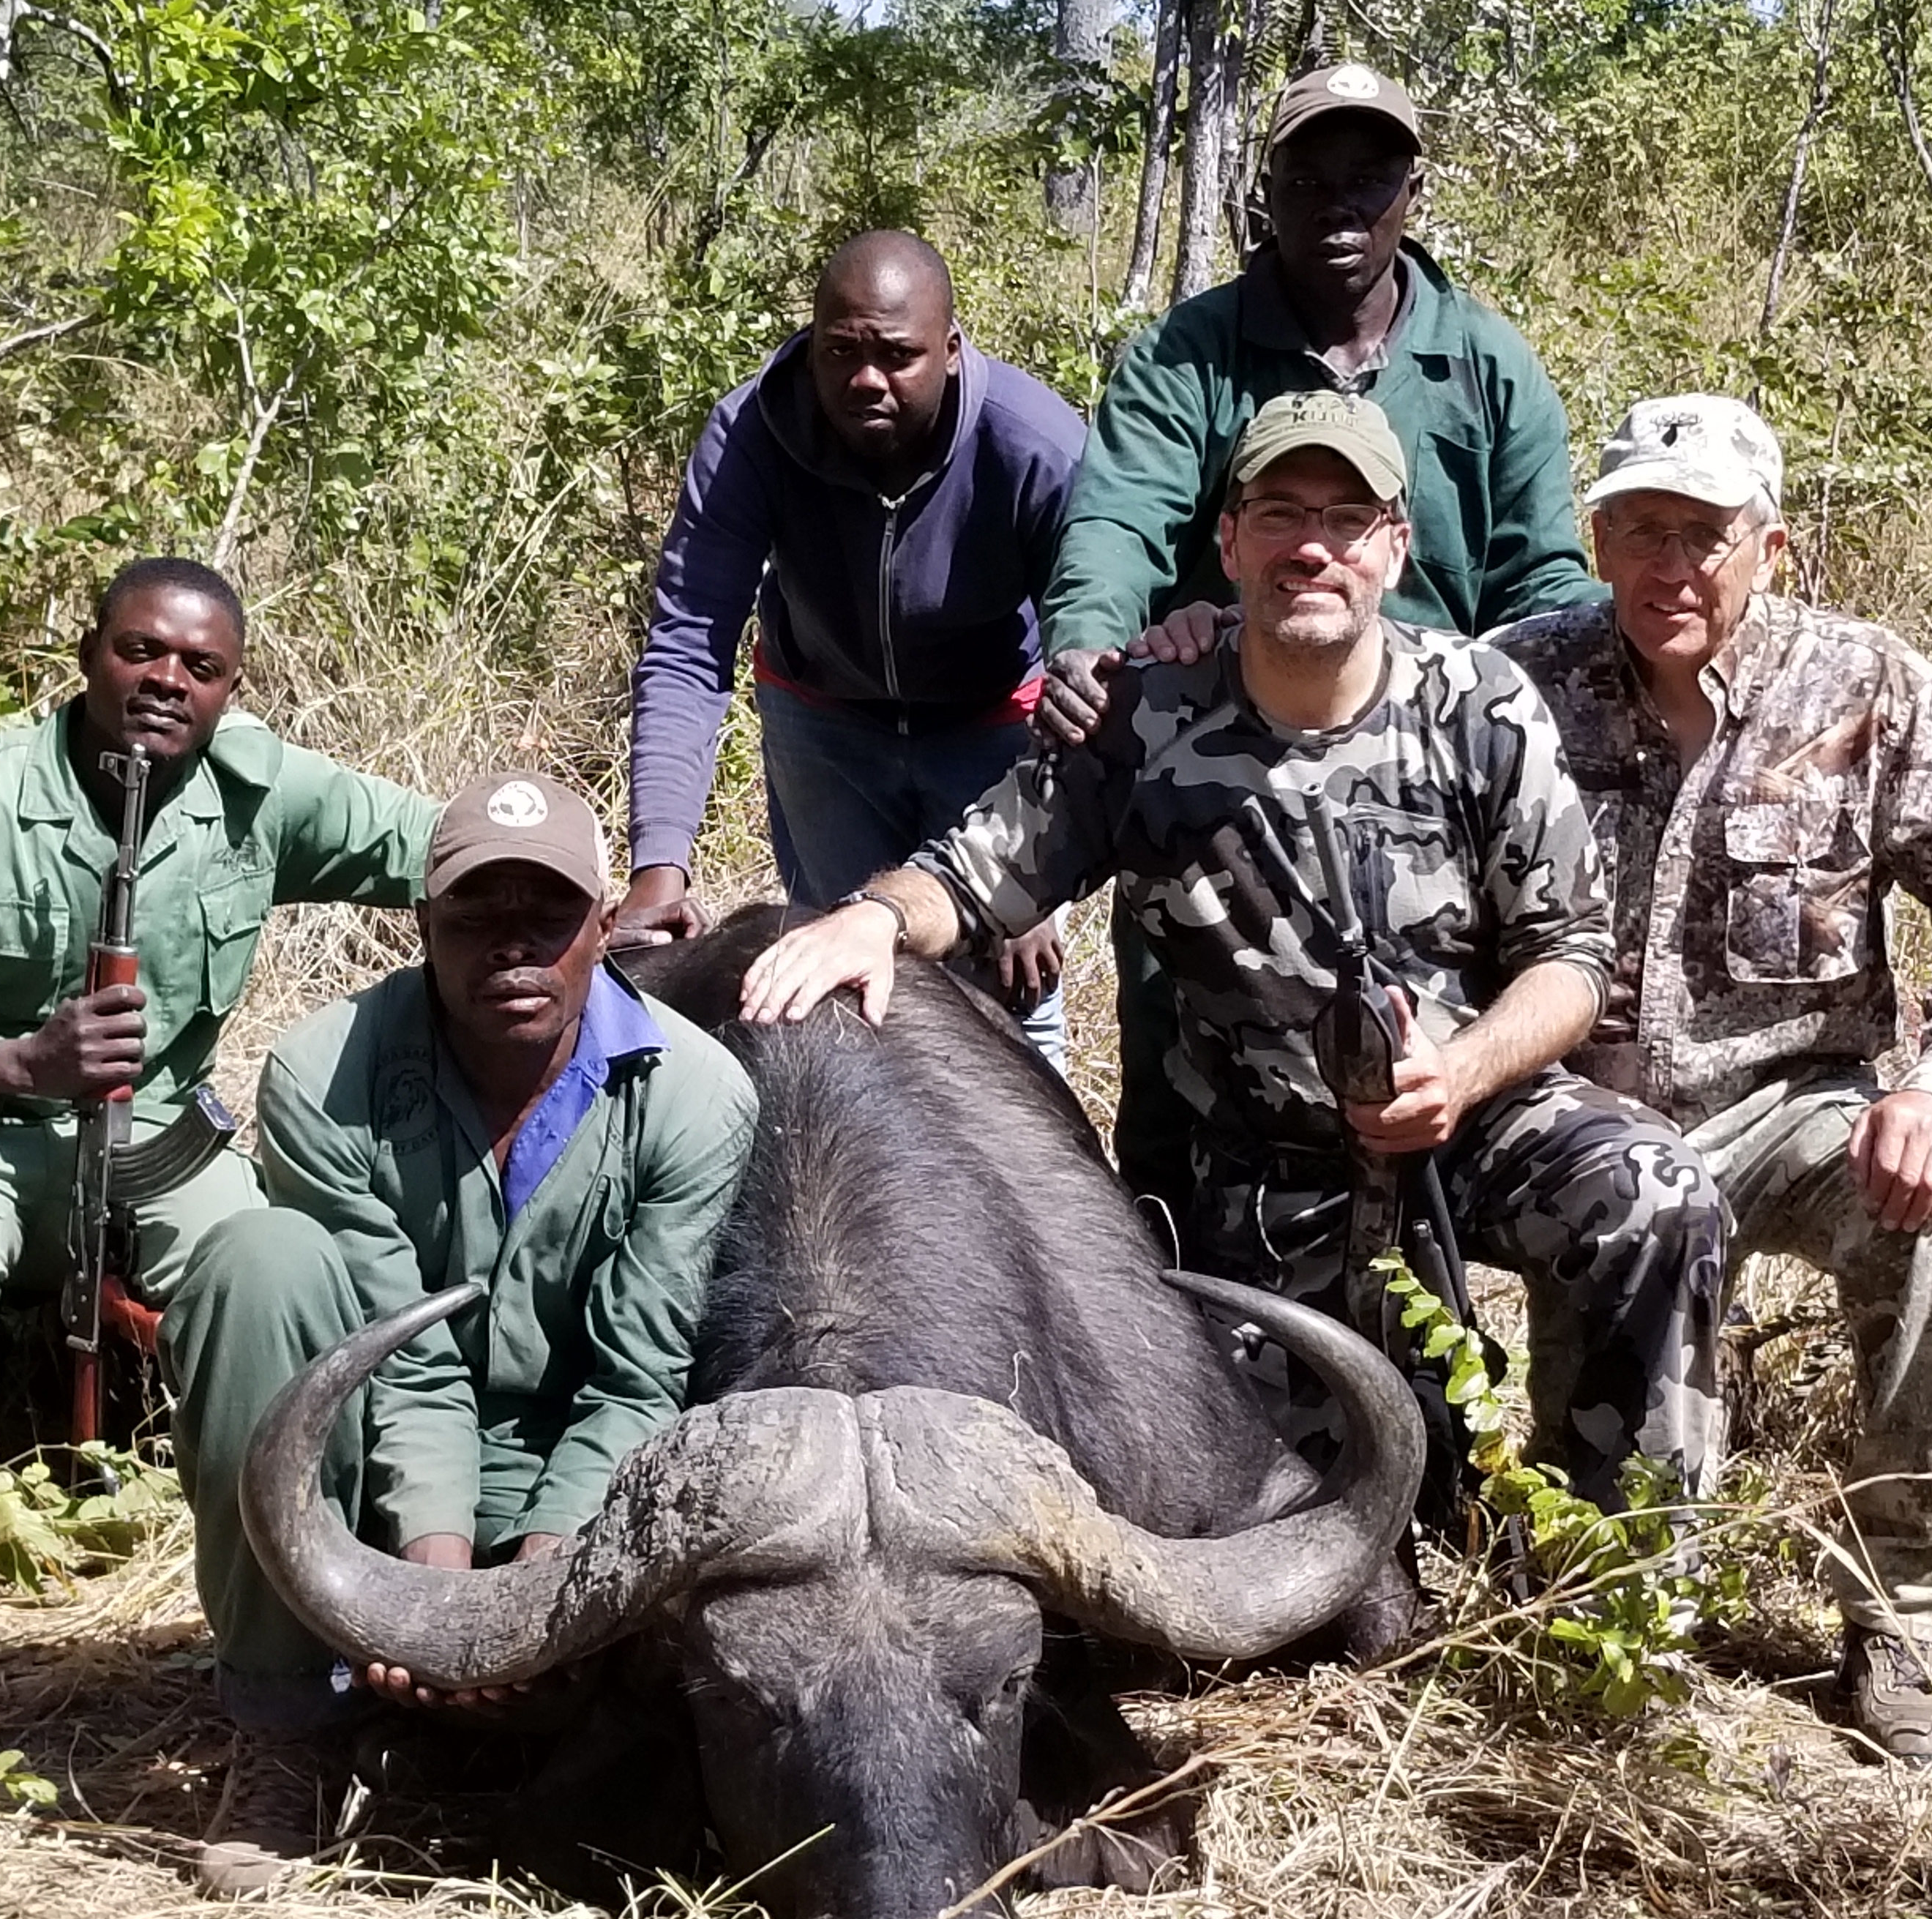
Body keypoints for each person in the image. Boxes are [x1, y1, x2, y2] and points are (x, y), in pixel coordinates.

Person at [741, 389, 1722, 1538]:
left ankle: (1621, 1566)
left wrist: (1459, 1075)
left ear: (1394, 547)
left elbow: (1572, 959)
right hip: (1267, 1177)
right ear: (1230, 541)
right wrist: (870, 918)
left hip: (1473, 1121)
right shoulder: (1145, 720)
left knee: (1656, 1193)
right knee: (1273, 1525)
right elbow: (968, 876)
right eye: (1279, 513)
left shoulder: (1480, 704)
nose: (1312, 546)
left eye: (1347, 518)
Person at [1488, 395, 1932, 1762]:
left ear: (1772, 546)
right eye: (1638, 528)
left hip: (1793, 1103)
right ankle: (1612, 1608)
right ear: (1598, 537)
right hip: (1580, 1117)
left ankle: (1908, 1622)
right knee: (1606, 1560)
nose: (1668, 564)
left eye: (1704, 534)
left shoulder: (1867, 687)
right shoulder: (1514, 677)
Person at [161, 771, 756, 1893]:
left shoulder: (697, 1094)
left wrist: (535, 1600)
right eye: (477, 914)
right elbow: (402, 1355)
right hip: (381, 1458)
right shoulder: (319, 1072)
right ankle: (289, 1725)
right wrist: (432, 1593)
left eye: (549, 915)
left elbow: (639, 1380)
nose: (512, 946)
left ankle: (512, 1712)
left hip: (580, 1485)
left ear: (607, 926)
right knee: (253, 1265)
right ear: (423, 925)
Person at [1030, 61, 1606, 1200]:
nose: (1339, 205)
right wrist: (1092, 644)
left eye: (1368, 179)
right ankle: (1182, 1309)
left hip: (1436, 770)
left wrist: (1527, 735)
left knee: (1463, 1092)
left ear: (1412, 191)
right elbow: (1119, 519)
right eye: (1310, 179)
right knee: (1186, 1090)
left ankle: (1426, 1343)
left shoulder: (1486, 365)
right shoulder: (1188, 354)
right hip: (1231, 774)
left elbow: (1544, 574)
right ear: (1266, 192)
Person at [0, 558, 437, 1461]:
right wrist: (10, 1064)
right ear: (90, 653)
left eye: (200, 668)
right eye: (142, 651)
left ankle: (181, 1416)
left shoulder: (260, 790)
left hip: (153, 1138)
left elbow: (443, 844)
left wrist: (582, 890)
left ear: (230, 688)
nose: (168, 681)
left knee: (268, 1271)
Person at [619, 228, 1084, 1062]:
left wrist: (1035, 875)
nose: (866, 379)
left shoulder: (1032, 444)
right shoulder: (752, 433)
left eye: (898, 357)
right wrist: (660, 865)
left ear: (949, 350)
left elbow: (1090, 657)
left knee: (1014, 1003)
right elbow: (690, 639)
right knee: (840, 979)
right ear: (811, 339)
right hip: (824, 724)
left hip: (993, 725)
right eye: (840, 352)